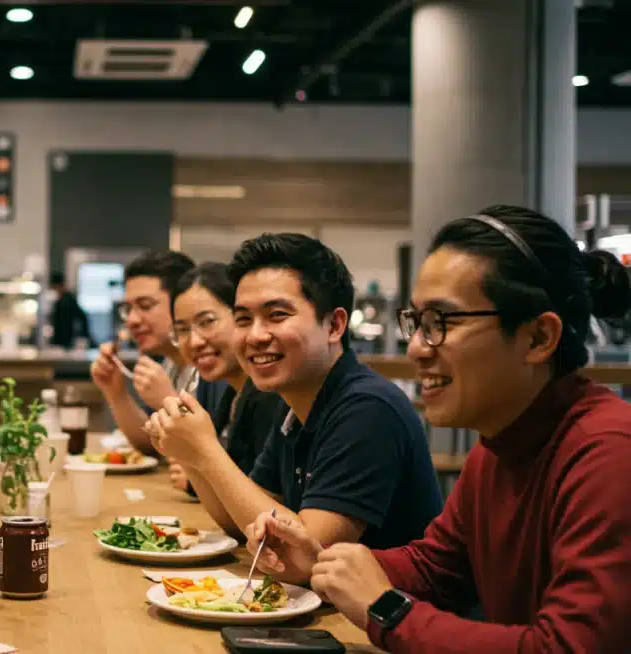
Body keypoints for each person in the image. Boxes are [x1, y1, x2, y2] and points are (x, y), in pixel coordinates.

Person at [244, 207, 631, 653]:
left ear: (539, 338)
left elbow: (567, 647)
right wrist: (321, 563)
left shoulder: (607, 453)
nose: (415, 348)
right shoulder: (499, 445)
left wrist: (386, 609)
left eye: (440, 324)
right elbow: (436, 568)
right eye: (417, 323)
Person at [148, 234, 442, 558]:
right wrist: (193, 457)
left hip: (384, 607)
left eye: (276, 315)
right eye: (244, 319)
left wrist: (205, 451)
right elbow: (241, 523)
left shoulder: (367, 409)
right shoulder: (294, 405)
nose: (256, 335)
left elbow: (302, 557)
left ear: (334, 325)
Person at [163, 263, 288, 529]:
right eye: (182, 329)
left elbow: (263, 521)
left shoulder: (270, 394)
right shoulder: (234, 390)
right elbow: (234, 516)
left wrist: (199, 453)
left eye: (207, 322)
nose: (194, 341)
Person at [90, 249, 198, 453]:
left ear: (183, 302)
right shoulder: (169, 364)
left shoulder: (213, 369)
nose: (131, 320)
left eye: (145, 306)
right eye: (128, 309)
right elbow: (150, 447)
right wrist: (115, 391)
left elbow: (216, 457)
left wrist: (167, 400)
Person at [47, 271, 93, 348]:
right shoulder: (62, 299)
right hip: (63, 340)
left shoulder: (68, 300)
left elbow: (82, 317)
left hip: (66, 340)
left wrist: (83, 336)